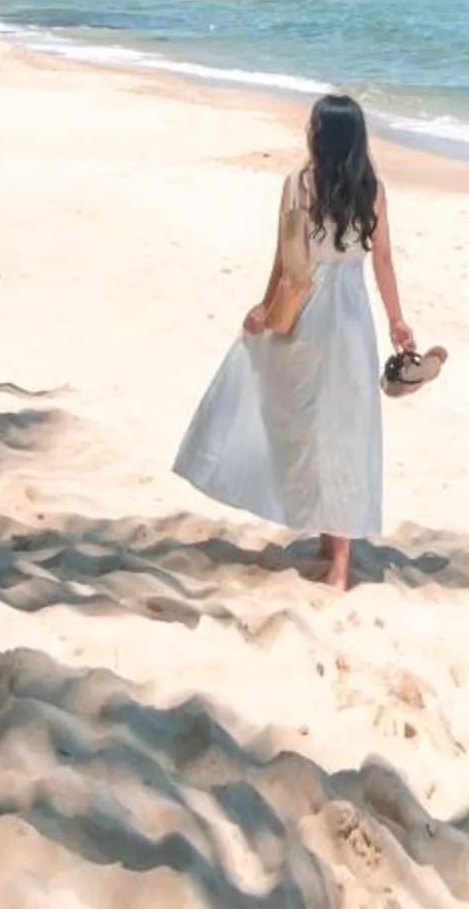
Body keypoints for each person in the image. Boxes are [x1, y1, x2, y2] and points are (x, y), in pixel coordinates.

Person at [174, 92, 415, 593]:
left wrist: (266, 311)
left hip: (307, 315)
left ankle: (328, 542)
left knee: (301, 422)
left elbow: (285, 262)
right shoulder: (372, 190)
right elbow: (384, 261)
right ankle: (338, 559)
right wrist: (396, 320)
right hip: (350, 318)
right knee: (345, 430)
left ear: (318, 137)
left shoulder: (297, 186)